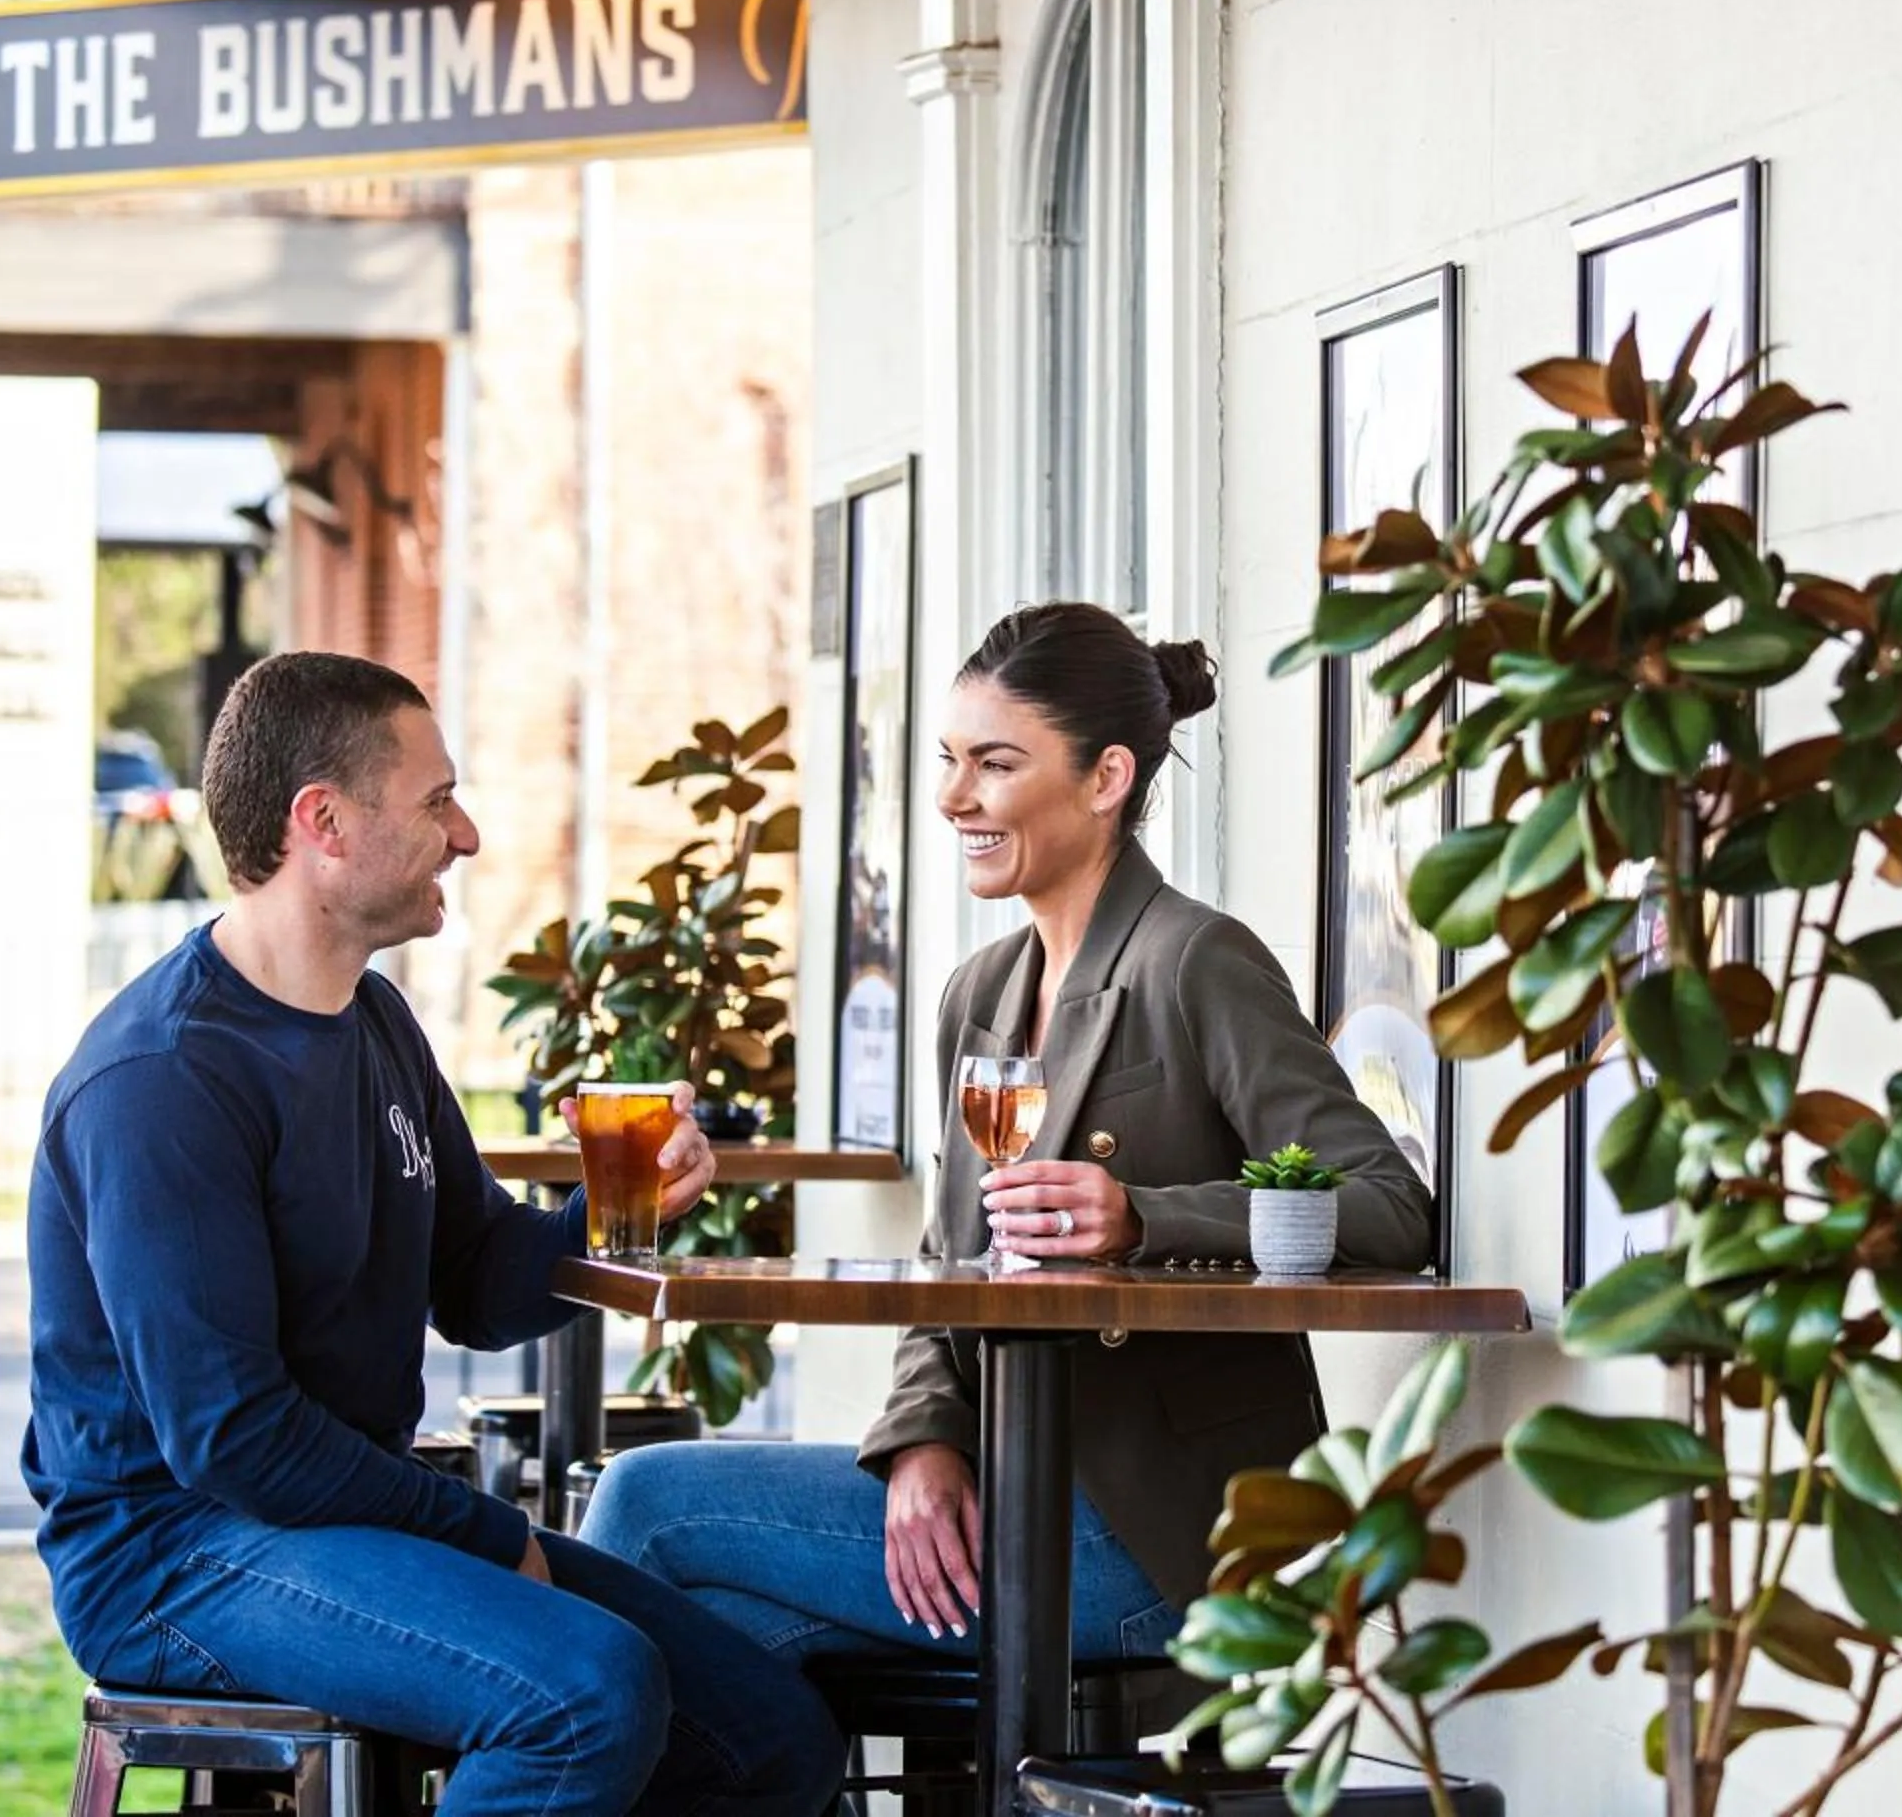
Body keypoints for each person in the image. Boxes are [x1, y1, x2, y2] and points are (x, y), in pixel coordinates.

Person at [21, 652, 842, 1817]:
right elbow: (232, 1440)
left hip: (334, 1519)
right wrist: (479, 1528)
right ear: (325, 823)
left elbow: (477, 1279)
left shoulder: (373, 1019)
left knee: (770, 1732)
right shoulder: (163, 1078)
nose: (464, 835)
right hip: (175, 1550)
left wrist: (619, 1217)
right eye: (436, 799)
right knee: (584, 1694)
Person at [581, 602, 1434, 1693]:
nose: (952, 799)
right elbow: (948, 1274)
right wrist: (922, 1443)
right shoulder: (978, 995)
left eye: (993, 763)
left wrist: (1148, 1217)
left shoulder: (1196, 960)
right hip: (1007, 1475)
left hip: (1169, 1533)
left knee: (645, 1505)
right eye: (947, 761)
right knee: (713, 1642)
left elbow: (1386, 1201)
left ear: (1106, 776)